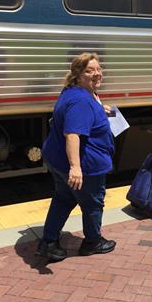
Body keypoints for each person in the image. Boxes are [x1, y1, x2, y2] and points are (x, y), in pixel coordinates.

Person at [35, 52, 116, 261]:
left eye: (98, 69)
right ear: (78, 74)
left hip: (58, 160)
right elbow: (72, 134)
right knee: (93, 203)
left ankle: (49, 242)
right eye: (90, 71)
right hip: (86, 166)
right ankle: (92, 242)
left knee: (63, 198)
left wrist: (100, 110)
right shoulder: (81, 100)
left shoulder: (75, 92)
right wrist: (76, 168)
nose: (97, 74)